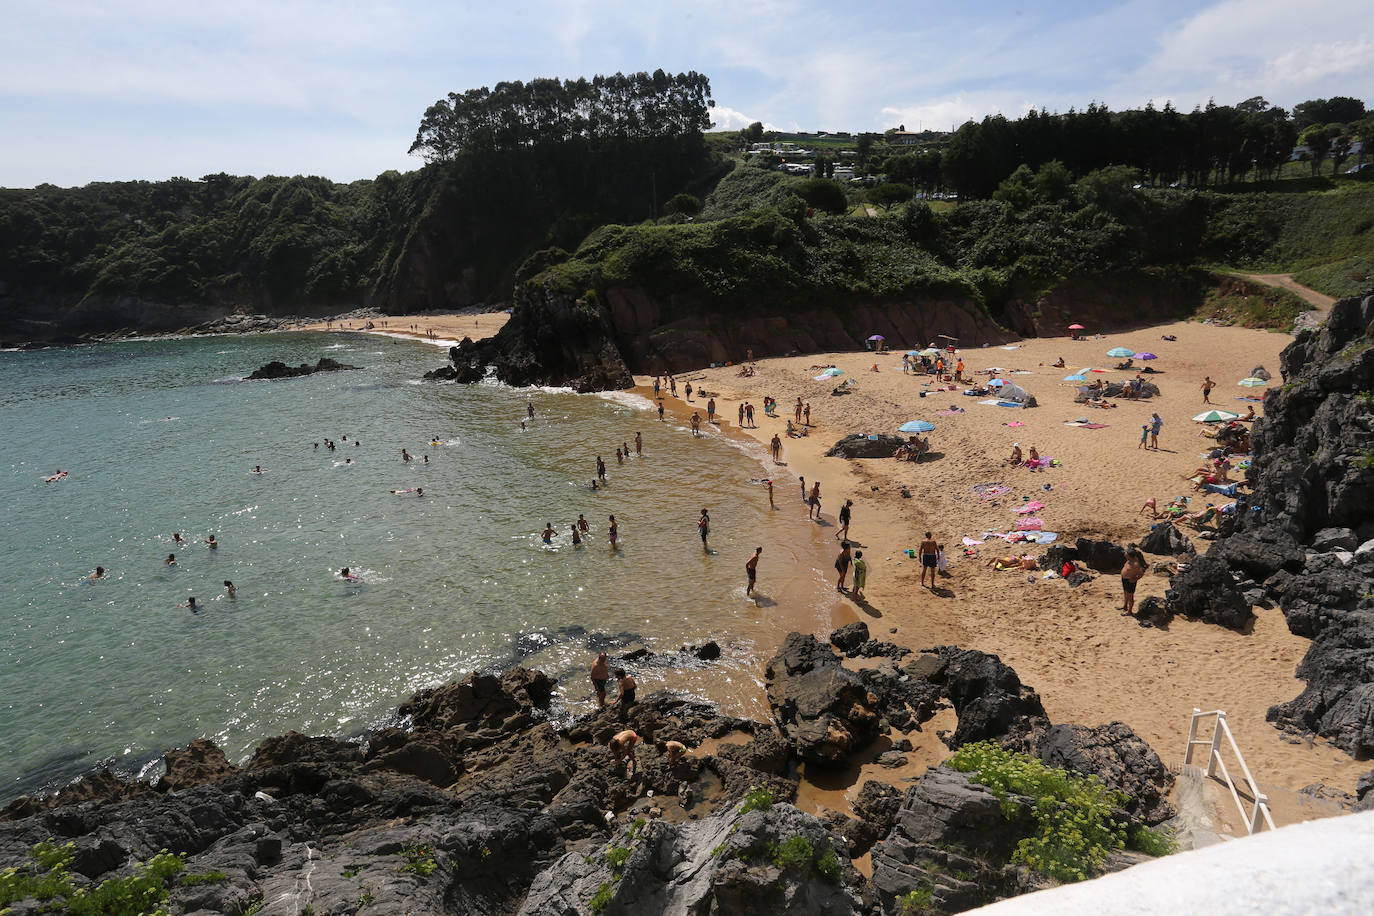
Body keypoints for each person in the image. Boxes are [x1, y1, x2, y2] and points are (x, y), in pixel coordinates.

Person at [1120, 545, 1146, 617]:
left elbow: (1141, 573)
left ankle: (1129, 611)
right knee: (1125, 593)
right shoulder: (1129, 560)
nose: (1124, 554)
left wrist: (1135, 579)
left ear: (1130, 556)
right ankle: (1125, 606)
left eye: (1126, 554)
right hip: (1124, 579)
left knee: (1130, 596)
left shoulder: (1136, 564)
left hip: (1130, 581)